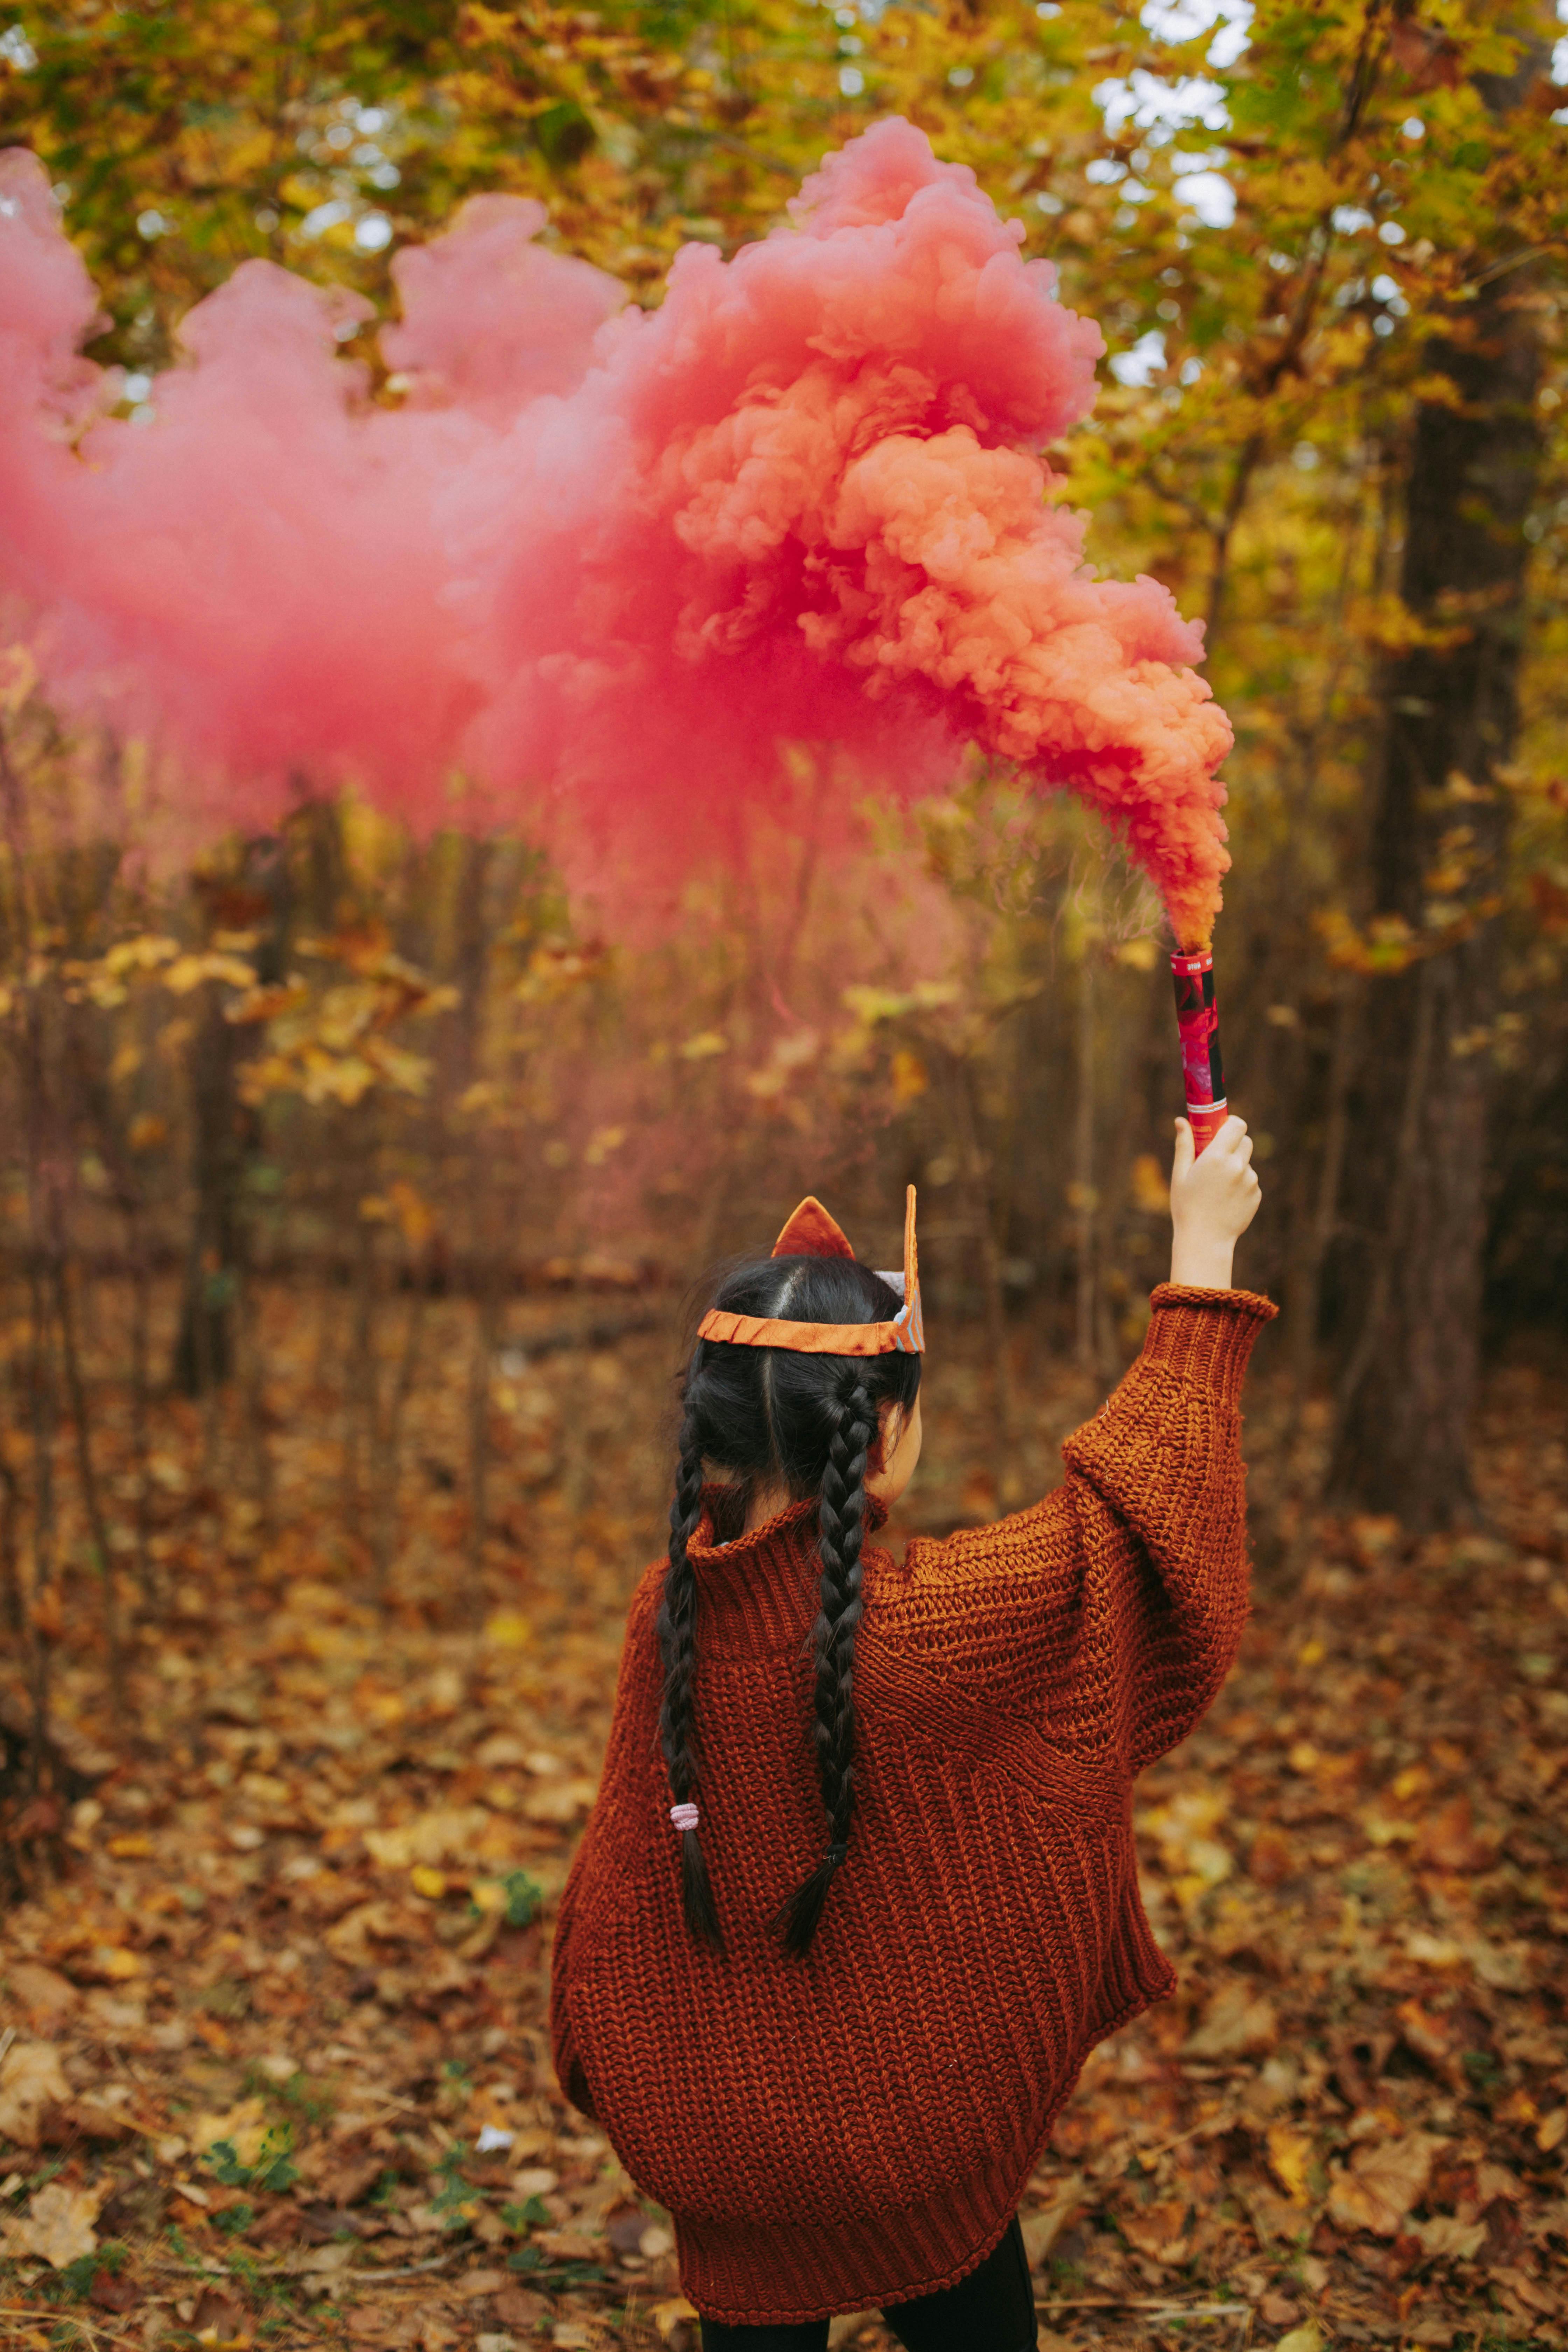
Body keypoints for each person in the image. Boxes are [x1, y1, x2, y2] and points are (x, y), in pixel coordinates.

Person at [548, 1114, 1272, 2351]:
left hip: (721, 2149)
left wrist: (609, 2068)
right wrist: (1200, 1259)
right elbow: (1133, 1542)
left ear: (713, 1440)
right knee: (958, 2266)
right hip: (915, 2139)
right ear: (883, 1439)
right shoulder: (941, 1624)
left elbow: (616, 1894)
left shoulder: (663, 1615)